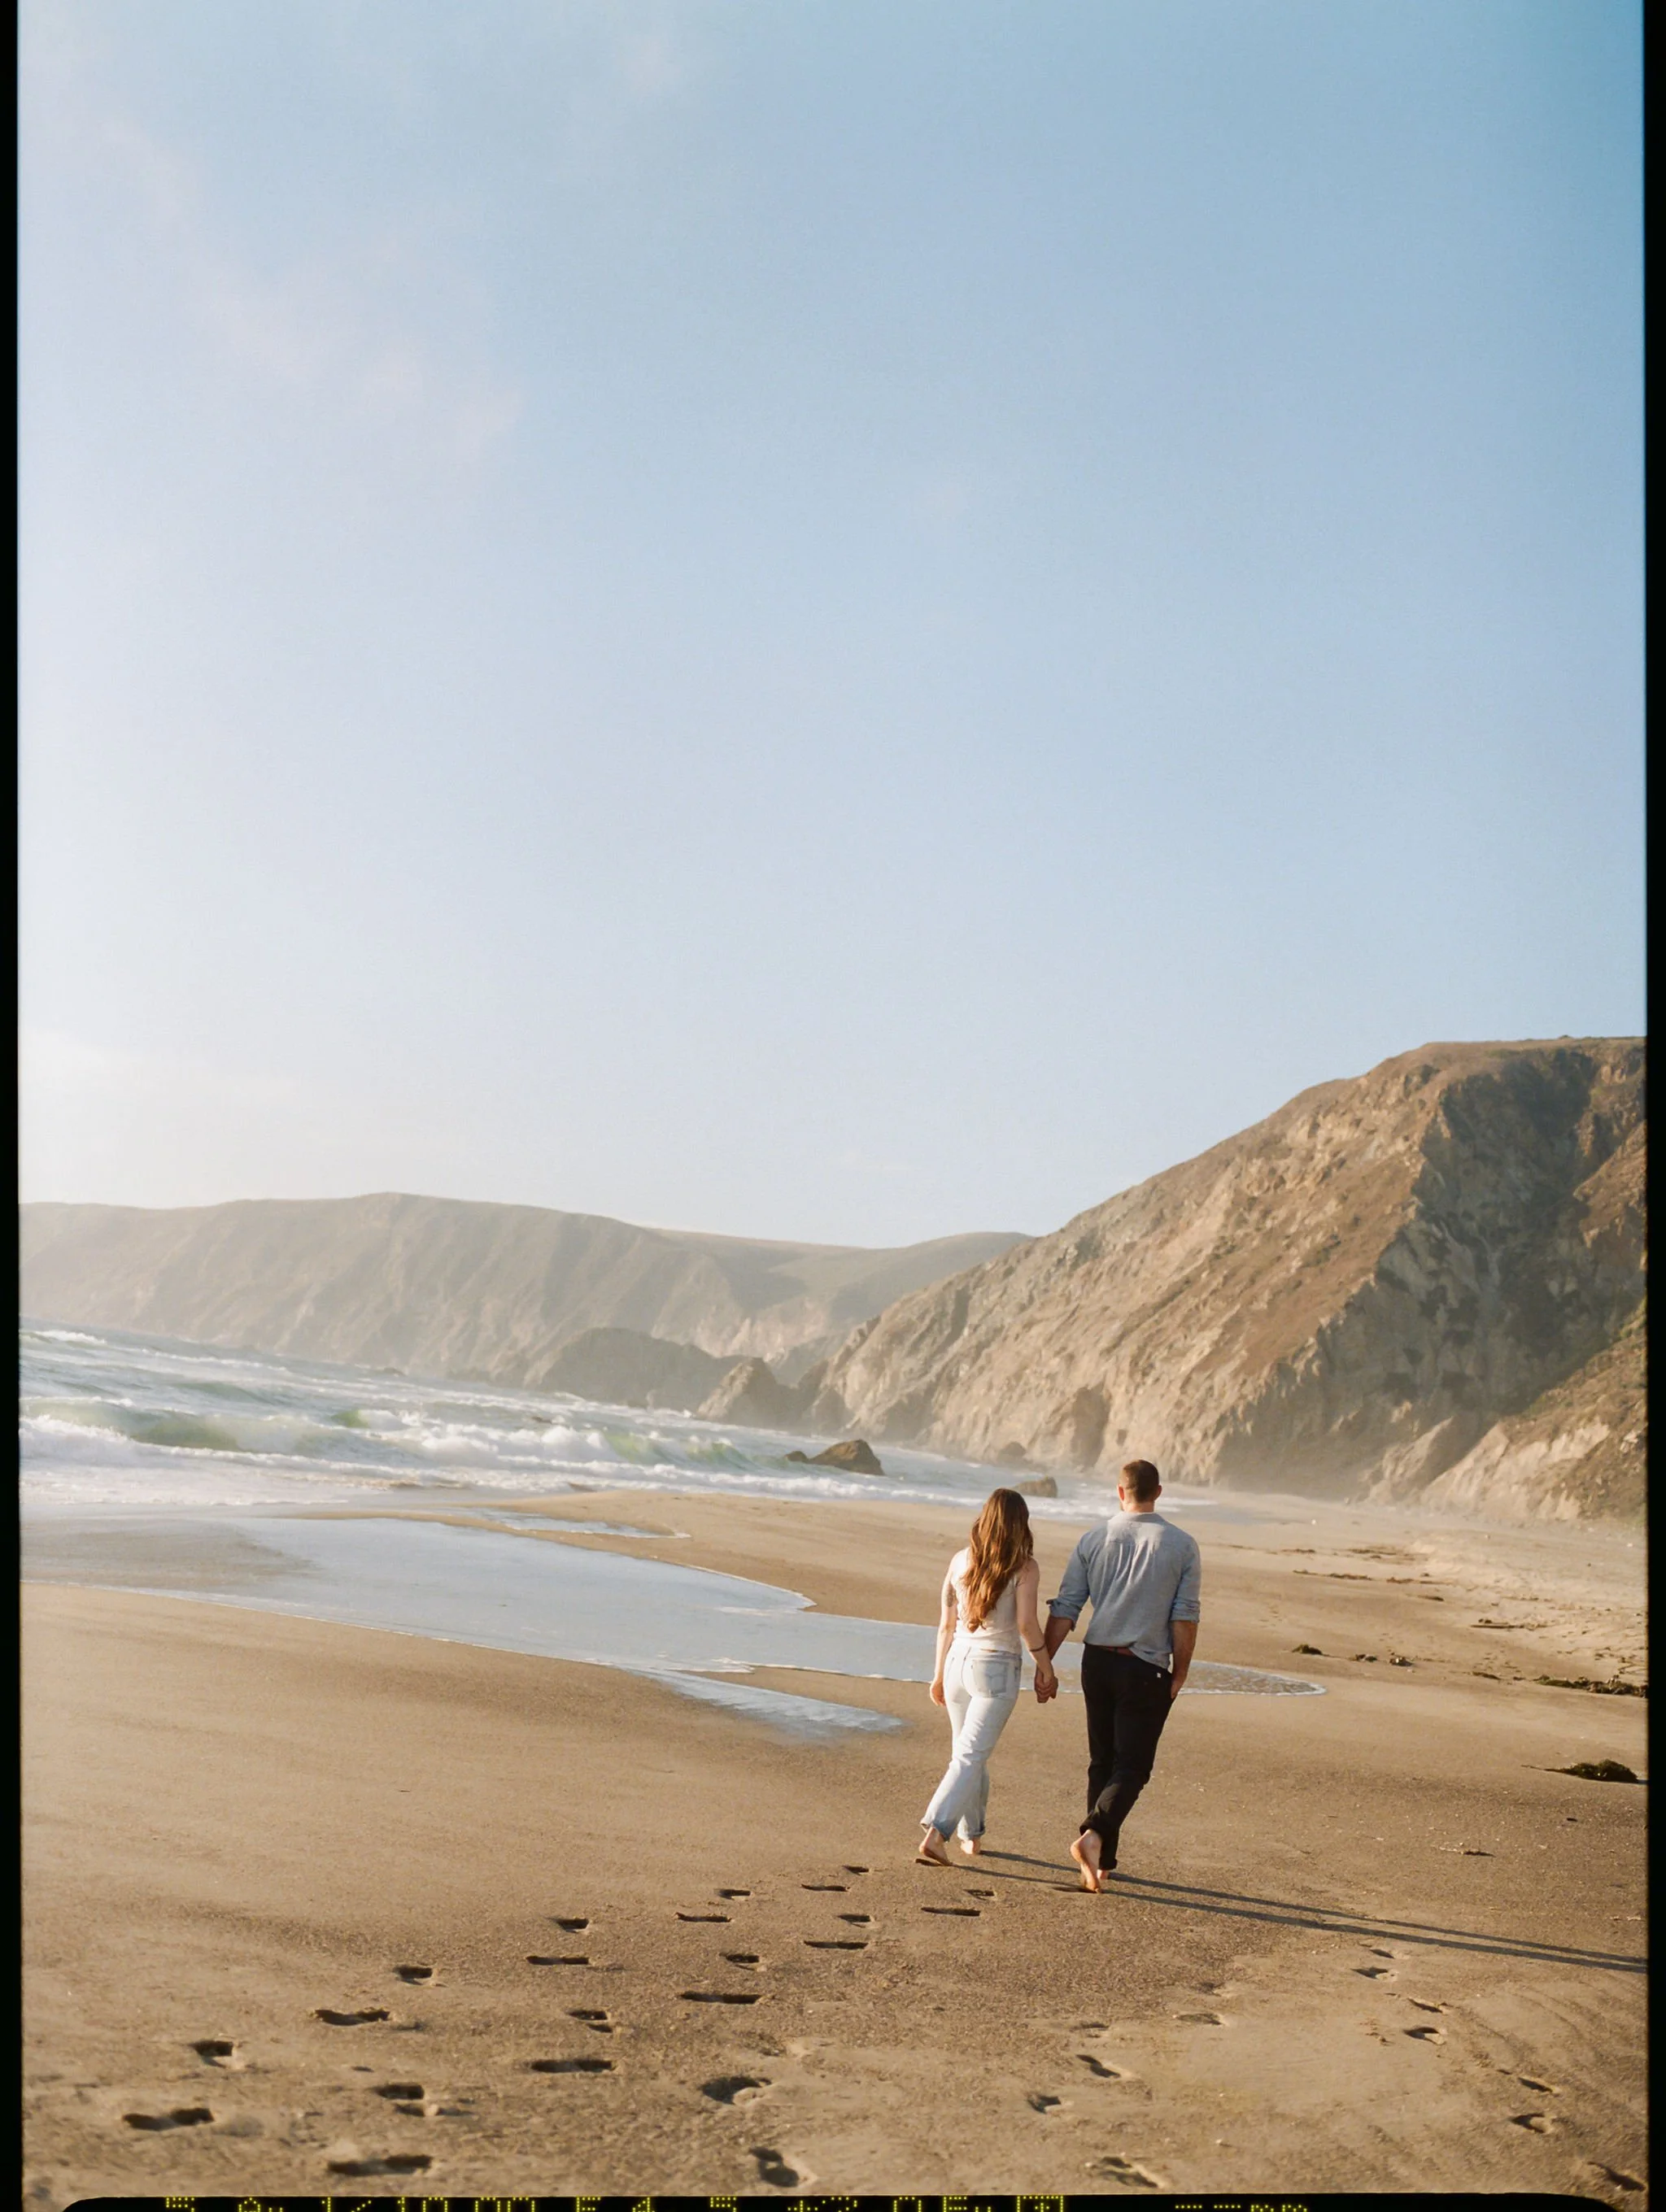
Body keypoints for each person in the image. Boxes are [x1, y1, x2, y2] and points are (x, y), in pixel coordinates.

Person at [1040, 1457, 1201, 1891]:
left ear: (1120, 1491)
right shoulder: (1181, 1545)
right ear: (1159, 1492)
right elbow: (1184, 1617)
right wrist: (1180, 1671)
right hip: (1144, 1666)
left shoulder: (1094, 1538)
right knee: (1132, 1767)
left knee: (1102, 1762)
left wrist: (1045, 1662)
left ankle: (1101, 1860)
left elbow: (1067, 1606)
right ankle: (1093, 1836)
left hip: (1097, 1661)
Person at [917, 1487, 1057, 1865]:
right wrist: (1046, 1669)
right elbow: (1027, 1624)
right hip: (995, 1668)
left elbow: (946, 1624)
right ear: (1020, 1524)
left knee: (968, 1755)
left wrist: (937, 1675)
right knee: (969, 1756)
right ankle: (936, 1830)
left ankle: (971, 1836)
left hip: (957, 1662)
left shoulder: (960, 1560)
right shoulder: (1025, 1567)